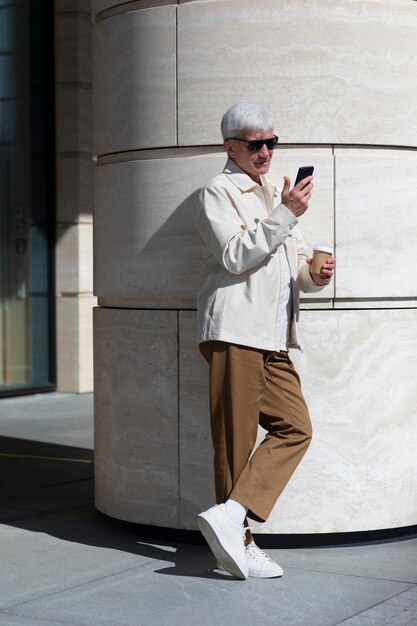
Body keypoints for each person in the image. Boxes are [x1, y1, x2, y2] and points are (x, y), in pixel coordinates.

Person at [194, 102, 335, 580]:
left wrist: (313, 274)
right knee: (234, 444)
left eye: (271, 142)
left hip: (273, 336)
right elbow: (235, 255)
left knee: (296, 427)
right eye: (255, 144)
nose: (265, 152)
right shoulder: (218, 191)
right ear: (230, 146)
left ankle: (232, 517)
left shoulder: (278, 191)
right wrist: (285, 214)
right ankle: (240, 545)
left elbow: (292, 260)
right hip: (234, 331)